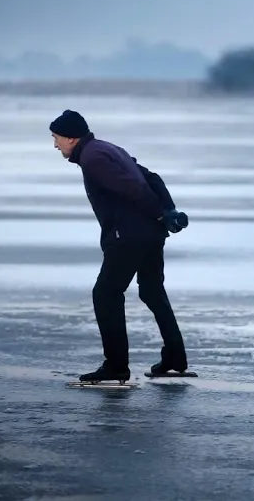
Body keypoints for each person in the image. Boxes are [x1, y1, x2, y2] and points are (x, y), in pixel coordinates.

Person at [49, 109, 191, 382]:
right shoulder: (108, 149)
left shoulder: (93, 158)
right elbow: (152, 178)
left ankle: (116, 366)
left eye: (56, 138)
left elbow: (134, 189)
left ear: (70, 138)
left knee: (105, 294)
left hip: (129, 236)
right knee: (151, 290)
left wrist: (163, 214)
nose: (55, 145)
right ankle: (175, 357)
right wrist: (167, 212)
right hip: (150, 232)